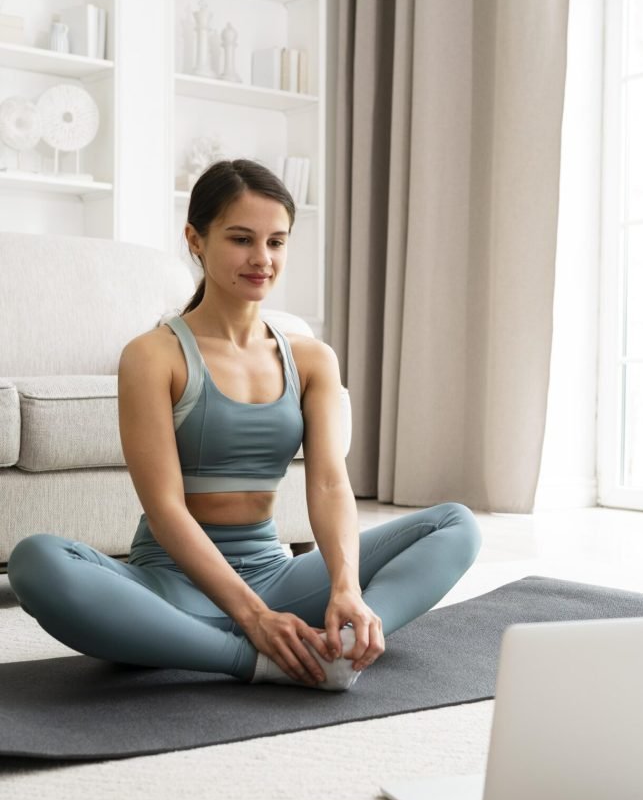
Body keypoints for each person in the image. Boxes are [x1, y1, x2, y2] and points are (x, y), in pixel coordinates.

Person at [7, 158, 482, 692]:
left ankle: (342, 646)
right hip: (172, 589)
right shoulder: (152, 355)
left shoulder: (311, 359)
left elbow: (328, 482)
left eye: (276, 242)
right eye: (241, 239)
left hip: (277, 578)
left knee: (454, 525)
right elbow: (164, 509)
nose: (262, 259)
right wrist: (254, 618)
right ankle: (255, 658)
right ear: (196, 239)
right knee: (36, 561)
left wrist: (345, 587)